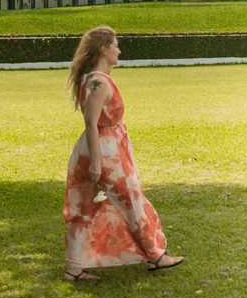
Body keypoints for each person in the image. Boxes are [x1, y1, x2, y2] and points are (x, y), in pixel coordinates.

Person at [63, 26, 184, 281]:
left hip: (104, 149)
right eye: (115, 45)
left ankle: (73, 268)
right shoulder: (98, 82)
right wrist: (97, 162)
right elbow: (91, 123)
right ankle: (155, 256)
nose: (119, 50)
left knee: (86, 205)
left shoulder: (95, 79)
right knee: (132, 201)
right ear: (103, 49)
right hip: (105, 152)